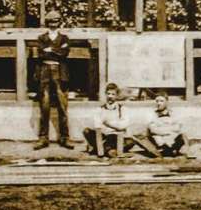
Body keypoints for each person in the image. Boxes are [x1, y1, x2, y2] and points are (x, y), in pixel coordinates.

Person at [35, 10, 73, 149]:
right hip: (44, 72)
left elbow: (64, 53)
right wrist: (56, 50)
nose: (53, 24)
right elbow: (40, 54)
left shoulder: (65, 38)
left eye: (55, 21)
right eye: (50, 22)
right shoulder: (41, 38)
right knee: (44, 105)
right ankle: (43, 138)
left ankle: (65, 137)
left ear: (59, 22)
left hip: (60, 72)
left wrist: (50, 50)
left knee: (62, 106)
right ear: (47, 23)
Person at [82, 82, 130, 157]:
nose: (110, 96)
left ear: (117, 96)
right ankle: (109, 150)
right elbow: (97, 125)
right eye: (108, 94)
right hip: (104, 136)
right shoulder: (100, 109)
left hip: (115, 136)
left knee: (131, 141)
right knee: (87, 131)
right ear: (105, 94)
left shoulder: (122, 109)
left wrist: (107, 123)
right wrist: (110, 126)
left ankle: (102, 149)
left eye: (113, 94)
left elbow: (123, 125)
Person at [145, 90, 187, 157]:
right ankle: (169, 150)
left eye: (161, 101)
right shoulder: (152, 114)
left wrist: (165, 130)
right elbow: (153, 129)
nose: (159, 103)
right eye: (157, 101)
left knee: (182, 137)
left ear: (167, 102)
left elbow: (177, 127)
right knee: (156, 137)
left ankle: (171, 150)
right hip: (160, 138)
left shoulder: (173, 113)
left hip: (172, 136)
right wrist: (167, 131)